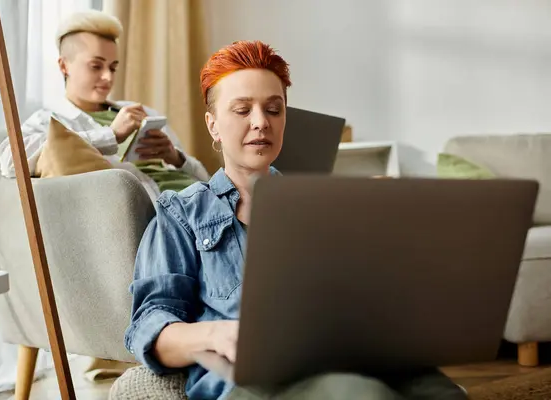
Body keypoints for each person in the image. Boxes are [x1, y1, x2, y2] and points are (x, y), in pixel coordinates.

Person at [125, 41, 468, 399]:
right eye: (242, 110)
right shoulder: (182, 214)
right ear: (213, 125)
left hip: (343, 357)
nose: (261, 122)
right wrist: (215, 335)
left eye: (274, 109)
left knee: (441, 392)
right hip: (256, 383)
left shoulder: (321, 207)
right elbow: (148, 325)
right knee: (357, 393)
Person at [0, 10, 210, 203]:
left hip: (200, 198)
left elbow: (204, 177)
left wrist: (176, 157)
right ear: (64, 65)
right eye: (96, 66)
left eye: (113, 67)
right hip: (165, 212)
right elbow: (10, 161)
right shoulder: (50, 121)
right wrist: (110, 135)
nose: (107, 77)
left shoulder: (138, 112)